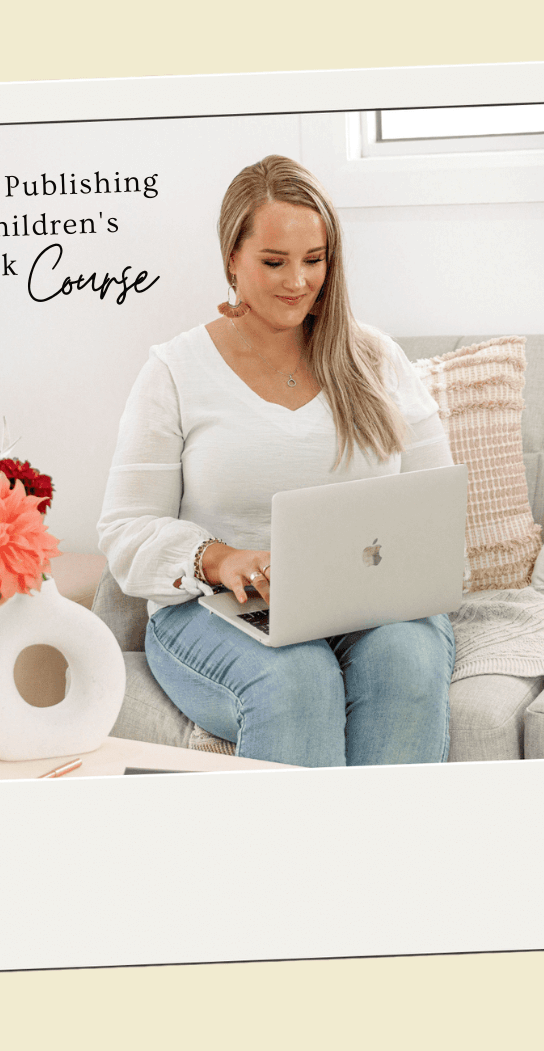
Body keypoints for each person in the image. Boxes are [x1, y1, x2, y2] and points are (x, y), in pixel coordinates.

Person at [97, 155, 456, 768]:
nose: (297, 282)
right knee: (299, 679)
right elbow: (125, 530)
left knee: (407, 660)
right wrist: (219, 559)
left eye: (314, 260)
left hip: (370, 604)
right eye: (274, 262)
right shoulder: (175, 371)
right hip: (215, 609)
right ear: (231, 258)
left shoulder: (374, 357)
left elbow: (438, 505)